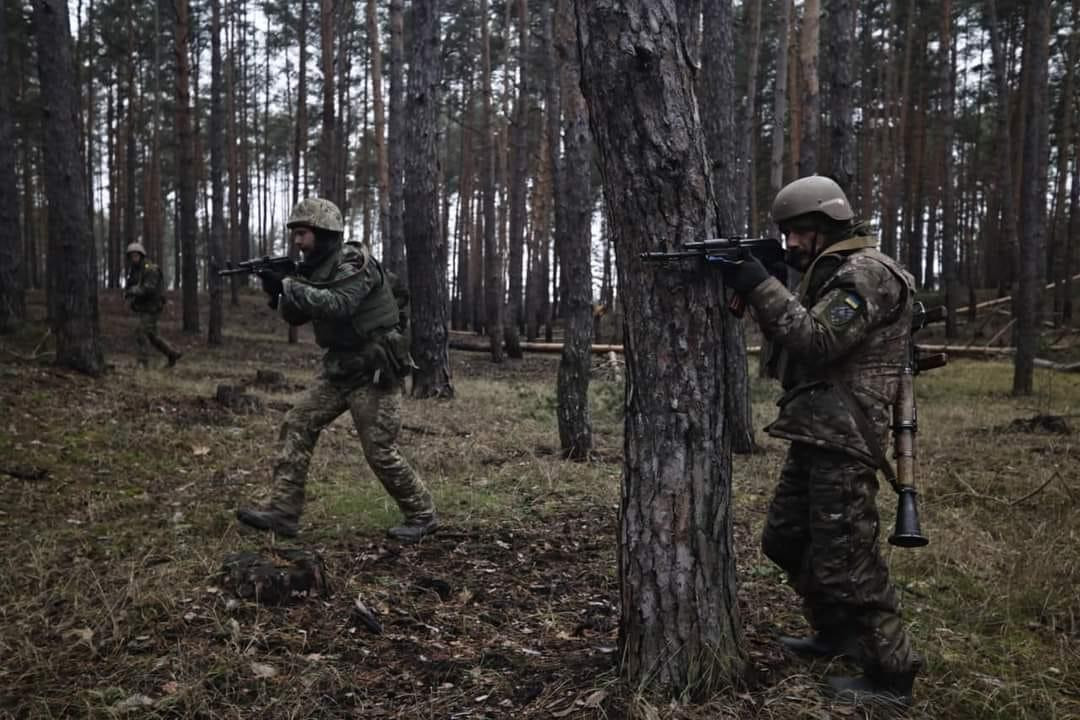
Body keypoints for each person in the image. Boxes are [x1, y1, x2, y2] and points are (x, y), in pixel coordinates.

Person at [717, 175, 921, 705]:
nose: (790, 245)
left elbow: (817, 340)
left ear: (826, 225)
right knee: (784, 540)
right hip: (816, 431)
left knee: (847, 558)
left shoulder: (867, 275)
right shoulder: (829, 272)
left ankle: (891, 674)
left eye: (797, 234)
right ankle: (836, 634)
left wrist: (758, 283)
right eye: (785, 235)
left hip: (848, 438)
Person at [236, 197, 438, 543]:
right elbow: (298, 315)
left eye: (303, 233)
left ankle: (422, 514)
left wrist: (289, 285)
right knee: (298, 422)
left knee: (379, 449)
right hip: (340, 369)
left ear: (326, 232)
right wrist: (278, 293)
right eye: (295, 235)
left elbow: (339, 304)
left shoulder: (352, 260)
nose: (297, 242)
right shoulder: (312, 269)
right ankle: (283, 512)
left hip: (374, 370)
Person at [124, 242, 182, 368]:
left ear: (141, 255)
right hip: (144, 306)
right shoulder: (135, 270)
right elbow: (130, 286)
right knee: (152, 336)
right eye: (131, 256)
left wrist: (133, 291)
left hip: (152, 307)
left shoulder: (150, 269)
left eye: (136, 255)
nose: (134, 258)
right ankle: (172, 353)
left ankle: (142, 363)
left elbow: (148, 289)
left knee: (141, 332)